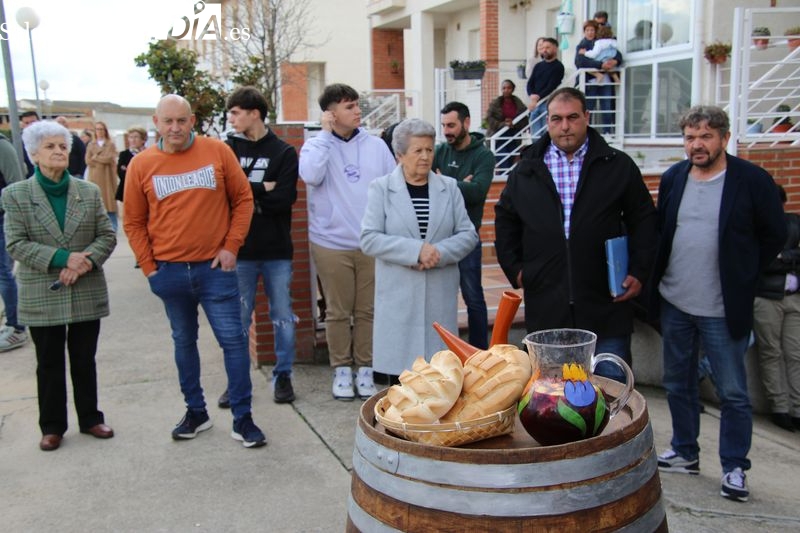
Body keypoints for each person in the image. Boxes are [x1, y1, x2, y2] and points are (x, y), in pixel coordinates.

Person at [651, 105, 785, 503]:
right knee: (678, 383)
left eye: (706, 136)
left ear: (724, 138)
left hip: (722, 308)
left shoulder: (751, 180)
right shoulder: (674, 177)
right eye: (690, 137)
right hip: (676, 301)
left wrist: (745, 273)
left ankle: (734, 467)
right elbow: (663, 231)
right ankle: (685, 451)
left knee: (733, 393)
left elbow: (774, 234)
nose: (697, 144)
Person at [124, 94, 267, 448]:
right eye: (168, 121)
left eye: (181, 120)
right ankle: (196, 412)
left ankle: (243, 418)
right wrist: (149, 269)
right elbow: (134, 221)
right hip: (169, 272)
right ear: (156, 123)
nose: (175, 128)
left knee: (233, 342)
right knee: (184, 341)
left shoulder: (217, 151)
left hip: (215, 270)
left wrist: (232, 246)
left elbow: (243, 199)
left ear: (192, 121)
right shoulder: (142, 165)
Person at [494, 87, 657, 381]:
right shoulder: (527, 169)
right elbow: (506, 220)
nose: (565, 126)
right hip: (548, 309)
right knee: (551, 397)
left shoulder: (616, 165)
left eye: (572, 117)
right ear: (547, 121)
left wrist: (639, 271)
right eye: (556, 119)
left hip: (606, 307)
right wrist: (517, 271)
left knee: (611, 392)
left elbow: (644, 219)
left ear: (587, 117)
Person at [2, 120, 117, 451]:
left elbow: (107, 236)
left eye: (63, 146)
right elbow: (16, 244)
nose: (58, 152)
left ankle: (91, 418)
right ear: (34, 154)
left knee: (84, 358)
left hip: (85, 286)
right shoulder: (16, 194)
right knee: (49, 362)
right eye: (50, 146)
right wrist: (64, 259)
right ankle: (52, 426)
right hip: (43, 289)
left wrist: (83, 263)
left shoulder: (88, 191)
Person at [298, 83, 395, 400]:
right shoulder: (315, 146)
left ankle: (365, 369)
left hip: (370, 242)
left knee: (367, 311)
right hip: (330, 242)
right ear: (330, 113)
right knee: (338, 311)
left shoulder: (376, 146)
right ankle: (341, 369)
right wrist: (325, 137)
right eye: (349, 106)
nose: (357, 111)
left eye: (356, 104)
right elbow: (311, 176)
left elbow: (392, 187)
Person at [361, 118, 478, 377]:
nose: (425, 156)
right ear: (400, 155)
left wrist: (438, 253)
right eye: (418, 150)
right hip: (399, 299)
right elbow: (369, 238)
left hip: (439, 296)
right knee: (402, 386)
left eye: (429, 149)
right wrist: (415, 251)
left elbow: (468, 235)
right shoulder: (381, 189)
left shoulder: (449, 187)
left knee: (440, 380)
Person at [221, 86, 299, 406]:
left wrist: (246, 198)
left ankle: (283, 376)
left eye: (235, 112)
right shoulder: (227, 149)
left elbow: (285, 198)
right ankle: (237, 383)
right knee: (237, 320)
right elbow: (223, 194)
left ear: (254, 114)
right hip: (239, 252)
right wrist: (262, 187)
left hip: (276, 251)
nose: (231, 118)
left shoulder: (283, 152)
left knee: (282, 316)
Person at [433, 101, 495, 349]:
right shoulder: (440, 151)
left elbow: (478, 192)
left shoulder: (483, 156)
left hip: (467, 238)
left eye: (451, 125)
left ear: (466, 123)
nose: (446, 131)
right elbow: (426, 184)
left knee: (473, 298)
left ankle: (479, 352)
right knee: (440, 298)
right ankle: (443, 353)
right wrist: (460, 184)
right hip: (439, 238)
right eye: (443, 125)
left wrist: (443, 182)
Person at [753, 185, 800, 432]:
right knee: (771, 352)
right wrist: (786, 258)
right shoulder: (756, 228)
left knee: (795, 353)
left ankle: (798, 409)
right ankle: (779, 408)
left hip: (794, 298)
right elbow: (760, 260)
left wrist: (784, 257)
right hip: (766, 297)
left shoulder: (794, 223)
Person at [0, 133, 28, 352]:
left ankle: (16, 326)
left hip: (2, 219)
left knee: (3, 273)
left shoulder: (2, 146)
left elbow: (15, 187)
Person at [575, 20, 622, 134]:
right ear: (584, 32)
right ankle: (587, 133)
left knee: (607, 106)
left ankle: (607, 132)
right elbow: (580, 62)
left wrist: (615, 61)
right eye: (587, 30)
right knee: (589, 107)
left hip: (606, 80)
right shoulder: (582, 45)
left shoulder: (603, 42)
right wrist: (601, 65)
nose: (590, 32)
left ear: (596, 31)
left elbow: (617, 54)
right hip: (590, 81)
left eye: (592, 30)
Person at [485, 79, 528, 170]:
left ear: (513, 89)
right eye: (504, 88)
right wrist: (502, 124)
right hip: (499, 135)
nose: (506, 90)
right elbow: (489, 119)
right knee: (502, 160)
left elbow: (524, 119)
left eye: (508, 88)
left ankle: (508, 177)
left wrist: (514, 124)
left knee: (512, 159)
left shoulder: (518, 103)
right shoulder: (495, 103)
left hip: (514, 135)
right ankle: (503, 176)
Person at [526, 37, 565, 137]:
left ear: (555, 48)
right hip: (535, 104)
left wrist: (537, 97)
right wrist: (532, 95)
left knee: (546, 134)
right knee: (535, 135)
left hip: (547, 103)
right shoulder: (538, 66)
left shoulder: (558, 66)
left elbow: (552, 86)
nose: (544, 50)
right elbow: (530, 83)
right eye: (543, 48)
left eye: (548, 47)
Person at [85, 121, 119, 231]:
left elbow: (109, 158)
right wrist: (97, 159)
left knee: (109, 203)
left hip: (107, 177)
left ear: (105, 131)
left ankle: (113, 227)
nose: (99, 131)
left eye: (101, 129)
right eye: (97, 129)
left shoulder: (110, 144)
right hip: (94, 176)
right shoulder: (91, 145)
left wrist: (96, 158)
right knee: (96, 202)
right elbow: (88, 160)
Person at [115, 126, 147, 204]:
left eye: (136, 137)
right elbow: (121, 173)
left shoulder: (148, 154)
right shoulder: (124, 155)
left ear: (143, 140)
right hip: (127, 191)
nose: (133, 140)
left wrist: (129, 170)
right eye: (131, 137)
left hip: (145, 191)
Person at [19, 110, 40, 176]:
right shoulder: (18, 143)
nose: (30, 125)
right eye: (27, 123)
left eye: (33, 122)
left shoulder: (49, 138)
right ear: (22, 125)